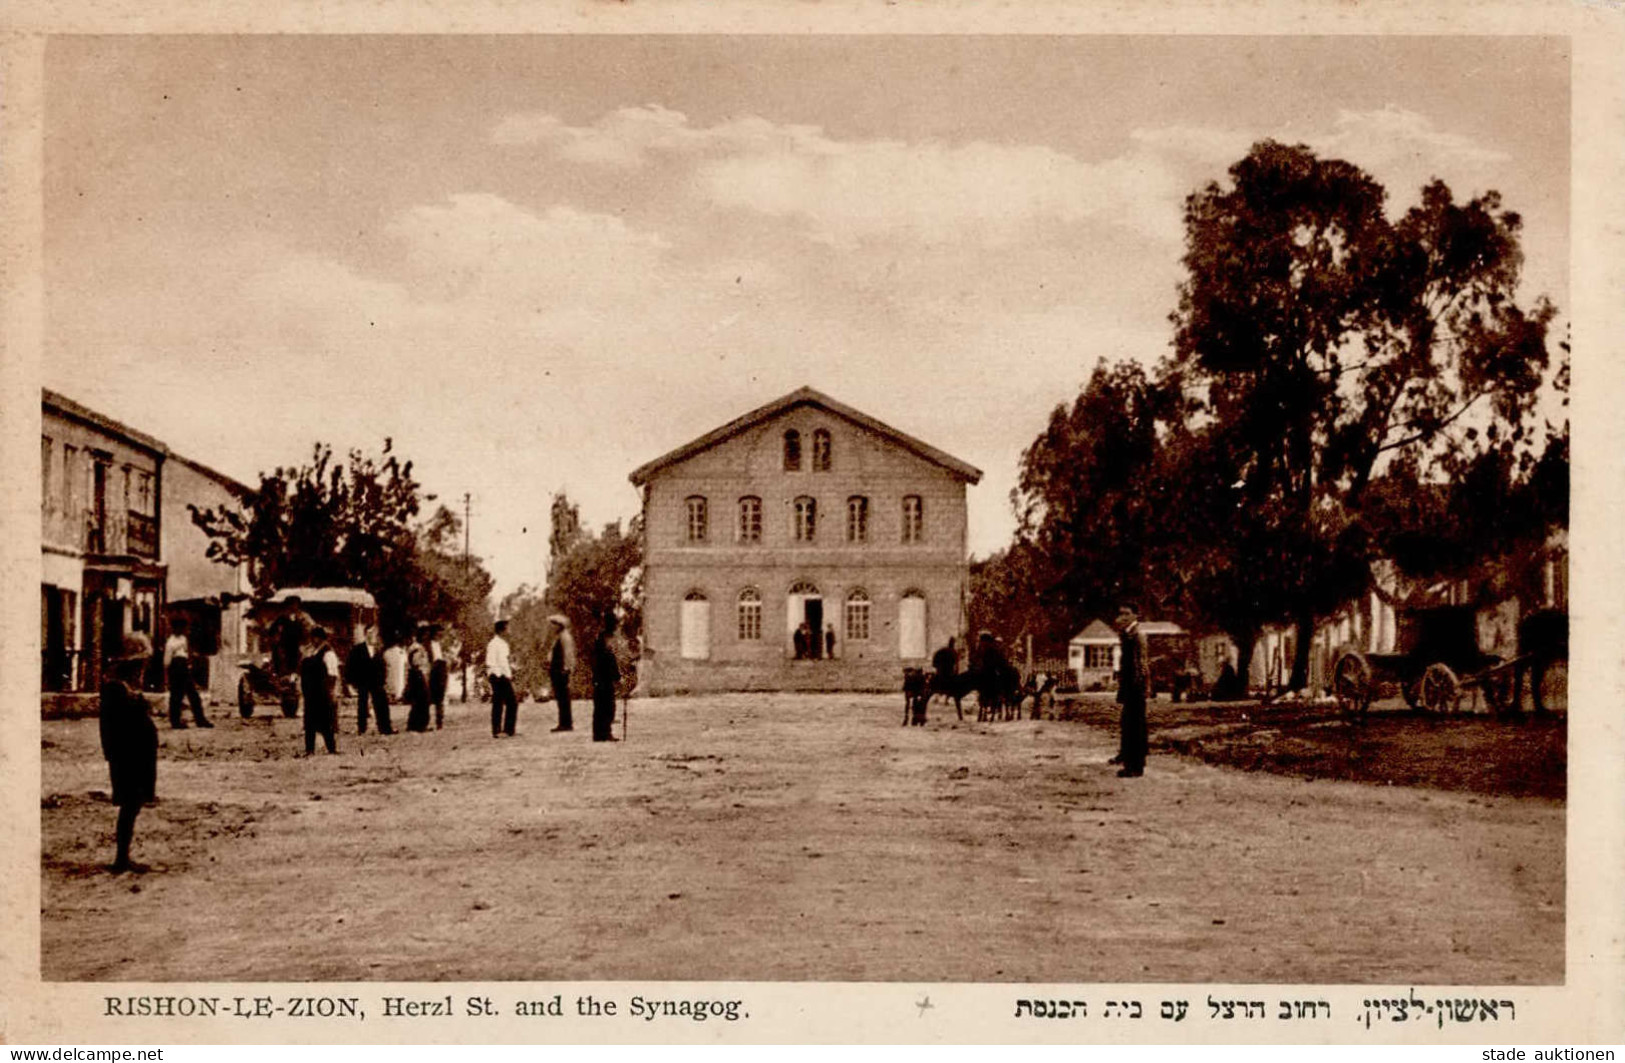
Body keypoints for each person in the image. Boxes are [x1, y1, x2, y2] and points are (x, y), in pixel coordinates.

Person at [100, 634, 159, 873]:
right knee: (130, 805)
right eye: (140, 663)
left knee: (133, 805)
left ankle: (123, 857)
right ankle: (121, 858)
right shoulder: (116, 688)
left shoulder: (124, 687)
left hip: (137, 753)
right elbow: (115, 727)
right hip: (128, 755)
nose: (143, 667)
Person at [1115, 606, 1150, 778]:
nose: (1123, 617)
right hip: (1129, 684)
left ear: (1136, 615)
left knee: (1134, 725)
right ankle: (1130, 759)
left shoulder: (1137, 635)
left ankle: (1135, 766)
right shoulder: (1127, 634)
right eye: (1121, 614)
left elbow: (1141, 663)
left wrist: (1141, 685)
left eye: (1127, 614)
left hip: (1135, 685)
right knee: (1128, 723)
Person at [162, 618, 211, 729]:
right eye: (180, 628)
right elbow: (166, 661)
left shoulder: (184, 639)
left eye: (183, 628)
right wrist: (167, 677)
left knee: (194, 695)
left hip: (184, 668)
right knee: (176, 696)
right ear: (174, 629)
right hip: (175, 668)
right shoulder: (171, 642)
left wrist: (189, 665)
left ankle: (200, 720)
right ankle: (175, 722)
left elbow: (187, 654)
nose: (182, 630)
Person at [298, 628, 340, 755]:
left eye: (314, 638)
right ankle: (309, 749)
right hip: (311, 693)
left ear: (320, 638)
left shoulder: (328, 653)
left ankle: (331, 748)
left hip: (322, 693)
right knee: (310, 723)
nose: (312, 640)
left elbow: (332, 675)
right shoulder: (313, 652)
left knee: (326, 723)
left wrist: (331, 693)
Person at [348, 625, 392, 734]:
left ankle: (385, 728)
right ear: (365, 635)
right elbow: (351, 666)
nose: (371, 635)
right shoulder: (358, 649)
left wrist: (384, 679)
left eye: (373, 633)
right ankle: (361, 728)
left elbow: (383, 665)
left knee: (381, 704)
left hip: (377, 681)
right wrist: (352, 682)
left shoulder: (379, 649)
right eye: (369, 633)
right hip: (363, 681)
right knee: (362, 705)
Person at [591, 613, 622, 742]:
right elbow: (608, 660)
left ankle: (601, 733)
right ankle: (603, 733)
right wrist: (617, 676)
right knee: (606, 707)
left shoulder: (601, 638)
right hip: (604, 679)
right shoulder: (603, 639)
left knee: (602, 707)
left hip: (601, 678)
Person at [486, 620, 518, 737]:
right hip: (497, 676)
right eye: (507, 628)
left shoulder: (504, 644)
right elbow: (491, 662)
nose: (509, 631)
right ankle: (497, 730)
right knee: (500, 703)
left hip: (504, 675)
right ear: (501, 630)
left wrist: (509, 673)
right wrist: (498, 675)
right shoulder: (493, 644)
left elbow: (505, 661)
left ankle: (508, 729)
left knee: (511, 702)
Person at [547, 615, 575, 732]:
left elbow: (568, 654)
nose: (552, 627)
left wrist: (566, 669)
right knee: (561, 697)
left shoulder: (564, 637)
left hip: (561, 671)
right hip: (557, 671)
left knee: (563, 697)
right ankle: (563, 722)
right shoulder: (559, 637)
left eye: (553, 624)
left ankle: (566, 723)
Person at [405, 627, 432, 733]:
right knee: (422, 700)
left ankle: (417, 724)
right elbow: (416, 663)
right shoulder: (416, 648)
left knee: (420, 701)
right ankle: (418, 725)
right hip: (418, 675)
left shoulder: (418, 647)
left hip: (418, 674)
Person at [428, 624, 449, 730]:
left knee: (440, 698)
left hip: (440, 671)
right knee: (430, 697)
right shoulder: (428, 645)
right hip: (433, 671)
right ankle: (426, 721)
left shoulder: (440, 645)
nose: (440, 634)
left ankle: (439, 721)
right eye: (438, 632)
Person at [381, 634, 408, 703]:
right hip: (400, 674)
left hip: (391, 674)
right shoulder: (402, 652)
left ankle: (393, 697)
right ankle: (397, 697)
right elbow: (406, 665)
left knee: (392, 683)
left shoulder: (386, 652)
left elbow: (385, 665)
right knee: (399, 683)